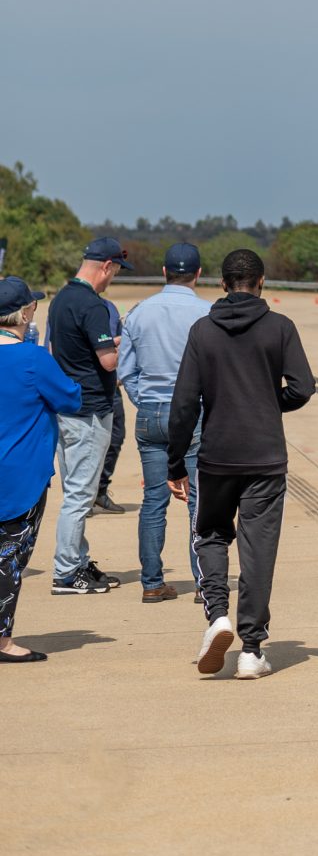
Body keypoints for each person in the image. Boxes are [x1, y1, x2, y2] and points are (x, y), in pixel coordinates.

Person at [167, 247, 316, 678]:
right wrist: (271, 403)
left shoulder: (203, 331)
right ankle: (251, 649)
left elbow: (183, 404)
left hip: (216, 455)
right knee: (258, 550)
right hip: (266, 456)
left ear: (222, 282)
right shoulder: (280, 327)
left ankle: (217, 616)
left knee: (211, 533)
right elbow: (303, 387)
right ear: (261, 281)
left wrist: (174, 463)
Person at [118, 240, 209, 603]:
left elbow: (126, 371)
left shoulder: (140, 312)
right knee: (197, 501)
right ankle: (203, 582)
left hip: (151, 412)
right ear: (199, 274)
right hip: (192, 414)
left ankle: (152, 582)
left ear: (163, 272)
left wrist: (147, 401)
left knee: (153, 500)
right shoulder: (206, 312)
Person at [0, 274, 83, 660]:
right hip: (20, 478)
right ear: (24, 313)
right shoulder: (32, 359)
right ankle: (2, 641)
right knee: (9, 559)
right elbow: (70, 398)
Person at [47, 236, 131, 596]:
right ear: (106, 267)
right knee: (81, 496)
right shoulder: (93, 306)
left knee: (74, 491)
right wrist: (126, 342)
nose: (113, 278)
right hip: (91, 410)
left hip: (65, 407)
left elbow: (60, 347)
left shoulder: (62, 299)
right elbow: (107, 361)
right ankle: (66, 572)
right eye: (115, 271)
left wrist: (105, 343)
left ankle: (78, 560)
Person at [93, 288, 127, 516]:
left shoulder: (110, 308)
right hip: (84, 387)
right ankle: (82, 497)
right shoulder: (69, 307)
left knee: (116, 437)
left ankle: (100, 491)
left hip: (111, 387)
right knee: (86, 443)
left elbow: (123, 345)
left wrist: (121, 376)